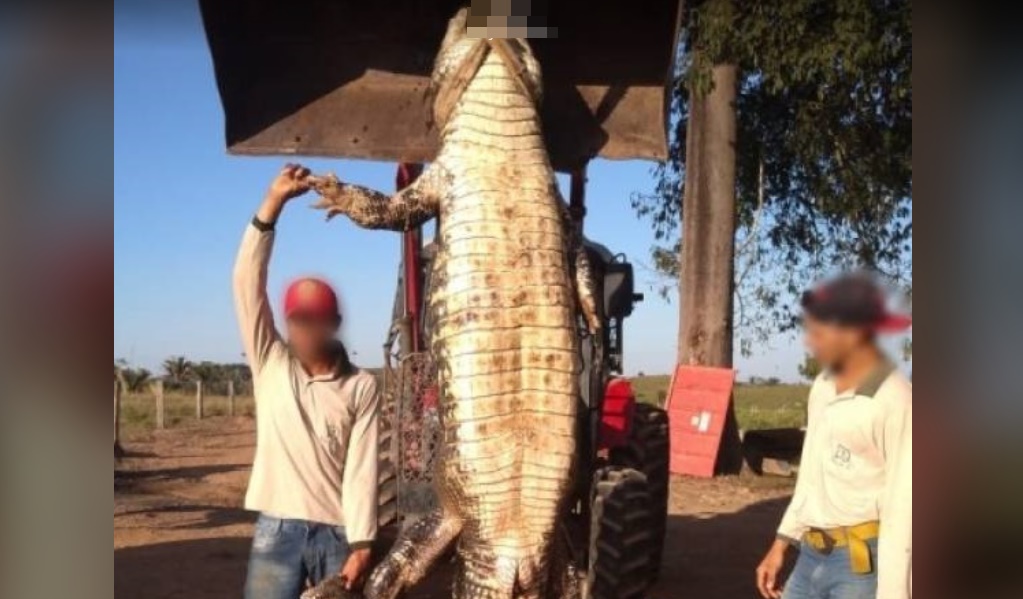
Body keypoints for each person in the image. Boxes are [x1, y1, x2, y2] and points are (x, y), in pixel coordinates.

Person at [233, 164, 379, 598]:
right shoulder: (270, 362)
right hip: (276, 532)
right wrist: (272, 203)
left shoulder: (361, 387)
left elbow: (362, 470)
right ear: (287, 322)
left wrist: (363, 543)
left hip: (337, 535)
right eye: (299, 320)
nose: (308, 329)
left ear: (335, 323)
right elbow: (246, 283)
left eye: (318, 320)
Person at [756, 273, 912, 599]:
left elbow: (904, 508)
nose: (811, 341)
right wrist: (781, 544)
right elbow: (810, 476)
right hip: (811, 554)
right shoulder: (824, 387)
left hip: (859, 564)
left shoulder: (895, 397)